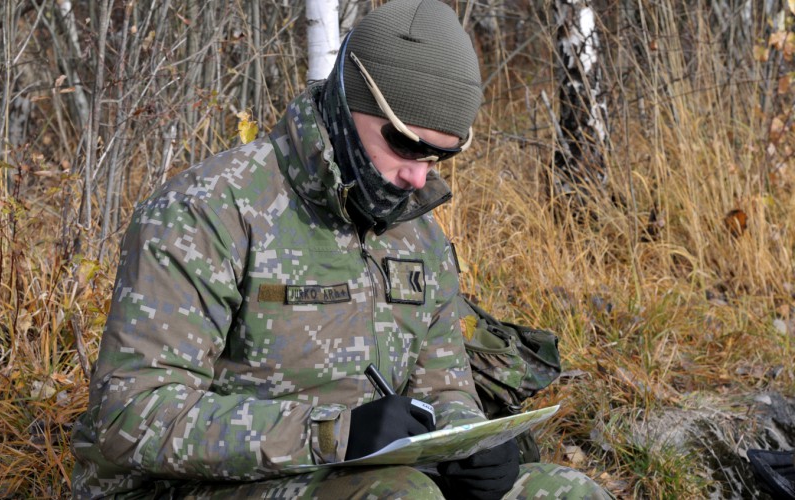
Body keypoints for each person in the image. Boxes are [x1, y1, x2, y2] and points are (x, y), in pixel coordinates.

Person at [71, 0, 614, 498]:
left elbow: (443, 387)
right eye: (403, 144)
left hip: (375, 477)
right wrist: (333, 435)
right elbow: (132, 416)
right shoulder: (210, 210)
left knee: (564, 490)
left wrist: (471, 445)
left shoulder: (417, 234)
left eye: (438, 158)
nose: (416, 177)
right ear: (346, 100)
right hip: (188, 487)